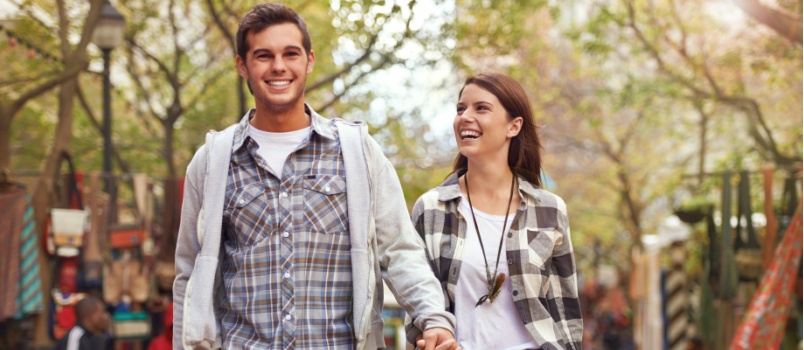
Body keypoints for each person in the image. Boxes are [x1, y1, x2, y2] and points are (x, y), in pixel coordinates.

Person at [172, 3, 457, 349]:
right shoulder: (212, 162)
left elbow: (399, 250)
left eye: (290, 54)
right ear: (242, 66)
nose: (278, 66)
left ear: (308, 61)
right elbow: (189, 276)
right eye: (263, 55)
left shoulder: (358, 152)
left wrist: (433, 317)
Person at [408, 72, 583, 349]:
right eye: (460, 109)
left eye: (481, 108)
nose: (465, 116)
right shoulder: (431, 208)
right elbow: (418, 304)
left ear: (513, 126)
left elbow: (565, 311)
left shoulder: (549, 210)